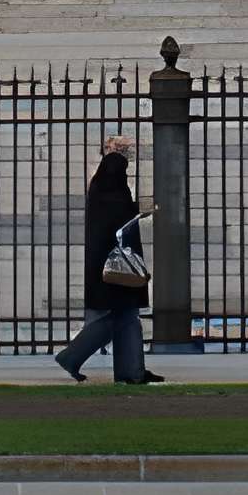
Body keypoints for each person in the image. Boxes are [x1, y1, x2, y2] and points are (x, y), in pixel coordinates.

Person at [53, 134, 161, 384]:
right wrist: (138, 211)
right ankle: (72, 356)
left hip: (109, 266)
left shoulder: (100, 189)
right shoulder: (113, 193)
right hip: (116, 267)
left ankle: (132, 372)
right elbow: (119, 222)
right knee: (118, 317)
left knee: (128, 317)